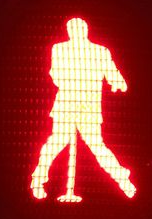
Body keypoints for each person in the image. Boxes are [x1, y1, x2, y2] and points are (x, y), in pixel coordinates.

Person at [30, 17, 137, 202]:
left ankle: (124, 181)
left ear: (85, 30)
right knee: (56, 143)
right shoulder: (60, 49)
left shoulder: (100, 51)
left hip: (87, 109)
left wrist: (118, 84)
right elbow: (56, 75)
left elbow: (115, 77)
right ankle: (37, 180)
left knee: (95, 146)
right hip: (68, 106)